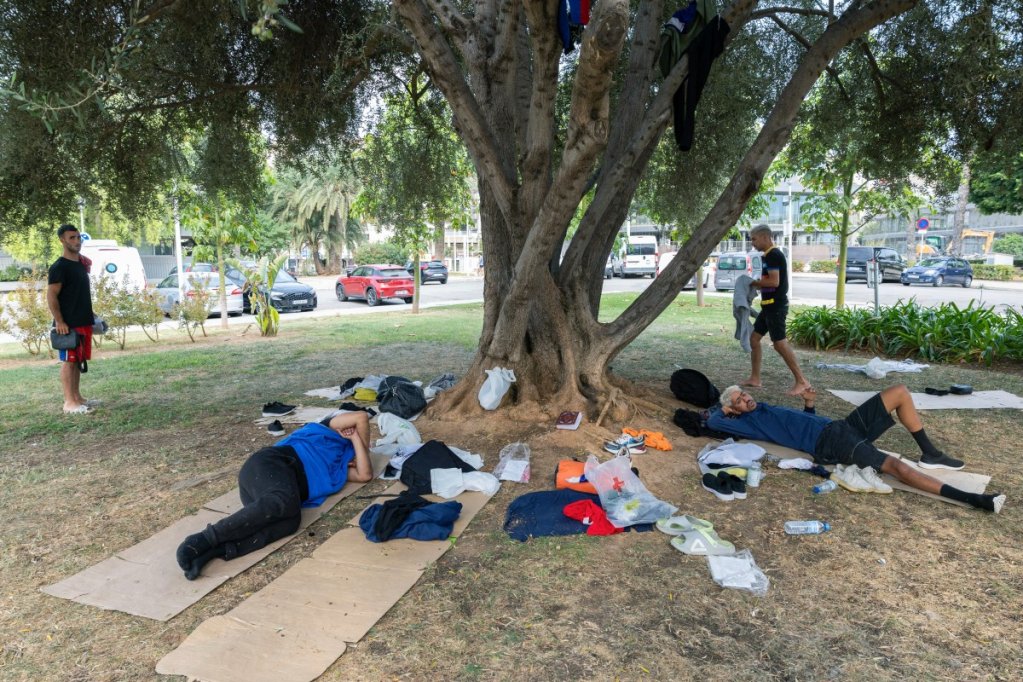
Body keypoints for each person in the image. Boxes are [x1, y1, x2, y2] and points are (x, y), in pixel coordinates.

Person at [707, 384, 1005, 513]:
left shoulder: (763, 408)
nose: (747, 399)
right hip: (832, 443)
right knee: (894, 467)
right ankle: (975, 500)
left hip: (839, 426)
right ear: (733, 410)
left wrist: (809, 405)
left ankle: (931, 453)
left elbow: (799, 427)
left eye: (745, 394)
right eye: (739, 401)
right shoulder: (744, 422)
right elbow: (712, 420)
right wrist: (726, 409)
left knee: (898, 392)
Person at [175, 410, 374, 580]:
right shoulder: (323, 431)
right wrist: (355, 442)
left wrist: (356, 441)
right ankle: (202, 539)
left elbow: (365, 474)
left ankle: (214, 552)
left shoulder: (340, 468)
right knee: (284, 500)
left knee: (290, 522)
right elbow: (361, 417)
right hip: (271, 465)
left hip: (273, 499)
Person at [742, 223, 811, 396]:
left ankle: (802, 381)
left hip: (776, 306)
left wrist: (751, 282)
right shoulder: (768, 256)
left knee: (779, 343)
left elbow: (774, 282)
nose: (752, 243)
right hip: (767, 307)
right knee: (754, 339)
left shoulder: (774, 255)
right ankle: (755, 379)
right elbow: (769, 282)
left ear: (765, 237)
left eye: (754, 239)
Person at [46, 224, 96, 414]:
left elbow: (78, 293)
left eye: (77, 237)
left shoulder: (80, 264)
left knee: (78, 361)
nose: (76, 241)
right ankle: (69, 402)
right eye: (71, 238)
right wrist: (59, 321)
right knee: (69, 361)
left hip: (83, 320)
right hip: (68, 325)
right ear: (62, 240)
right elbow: (51, 296)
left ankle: (77, 398)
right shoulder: (60, 267)